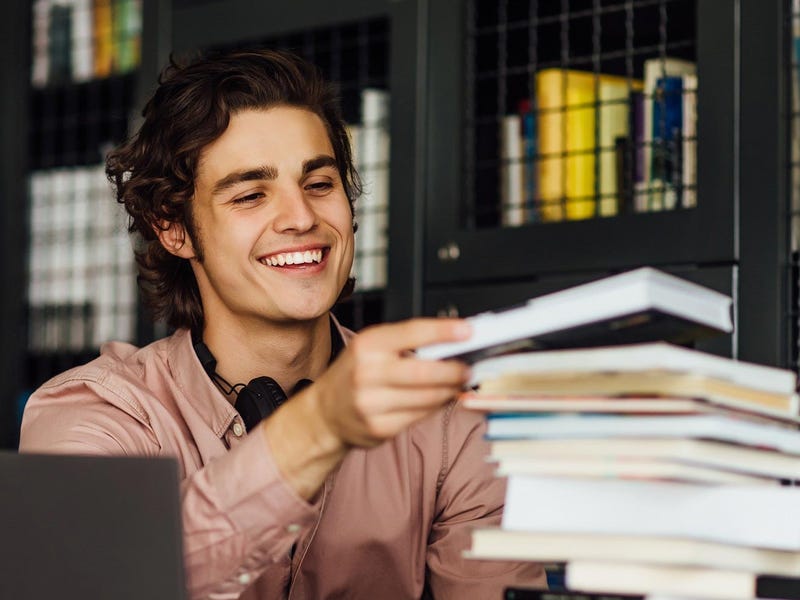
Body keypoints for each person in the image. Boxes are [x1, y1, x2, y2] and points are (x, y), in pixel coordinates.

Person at [19, 48, 545, 599]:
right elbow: (97, 582)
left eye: (319, 184)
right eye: (251, 194)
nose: (302, 218)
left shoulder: (448, 426)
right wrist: (316, 429)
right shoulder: (90, 416)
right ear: (173, 229)